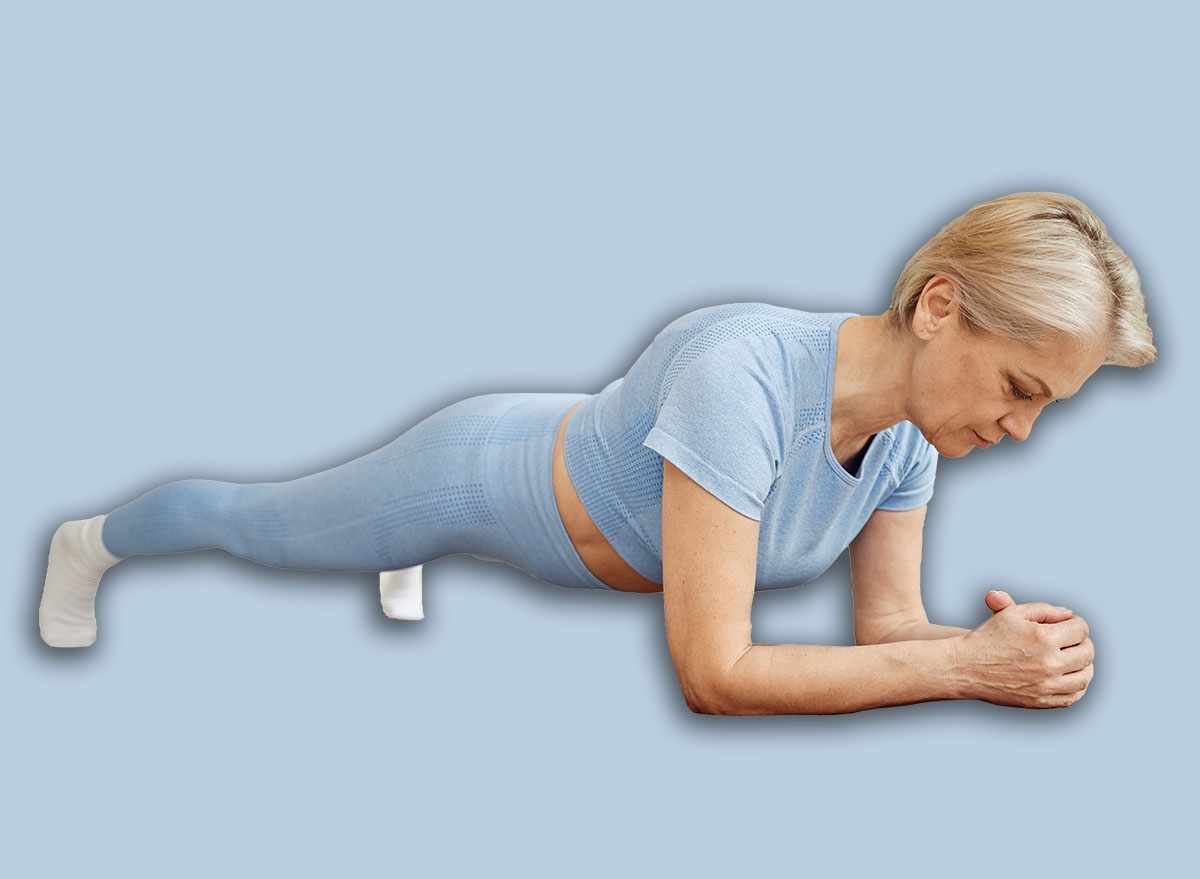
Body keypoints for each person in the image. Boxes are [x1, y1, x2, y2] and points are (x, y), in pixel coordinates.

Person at [39, 192, 1154, 716]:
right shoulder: (744, 377)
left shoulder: (909, 440)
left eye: (1047, 407)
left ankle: (407, 560)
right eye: (1019, 390)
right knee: (264, 530)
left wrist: (995, 653)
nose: (1020, 433)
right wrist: (964, 670)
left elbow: (893, 636)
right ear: (939, 306)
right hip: (480, 475)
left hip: (591, 496)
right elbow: (718, 675)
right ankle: (94, 541)